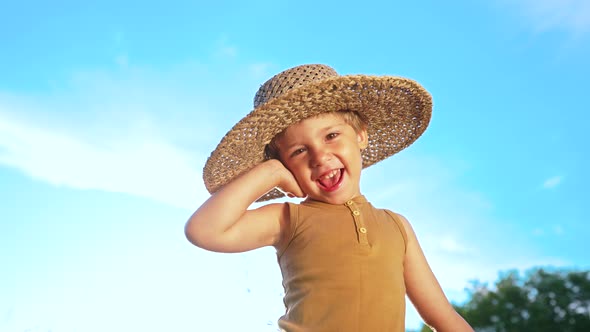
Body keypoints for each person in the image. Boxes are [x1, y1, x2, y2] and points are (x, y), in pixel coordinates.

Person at [185, 64, 474, 332]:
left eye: (331, 135)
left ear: (361, 136)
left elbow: (443, 316)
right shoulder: (288, 219)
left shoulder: (397, 226)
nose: (319, 157)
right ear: (286, 165)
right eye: (298, 151)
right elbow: (203, 230)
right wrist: (270, 172)